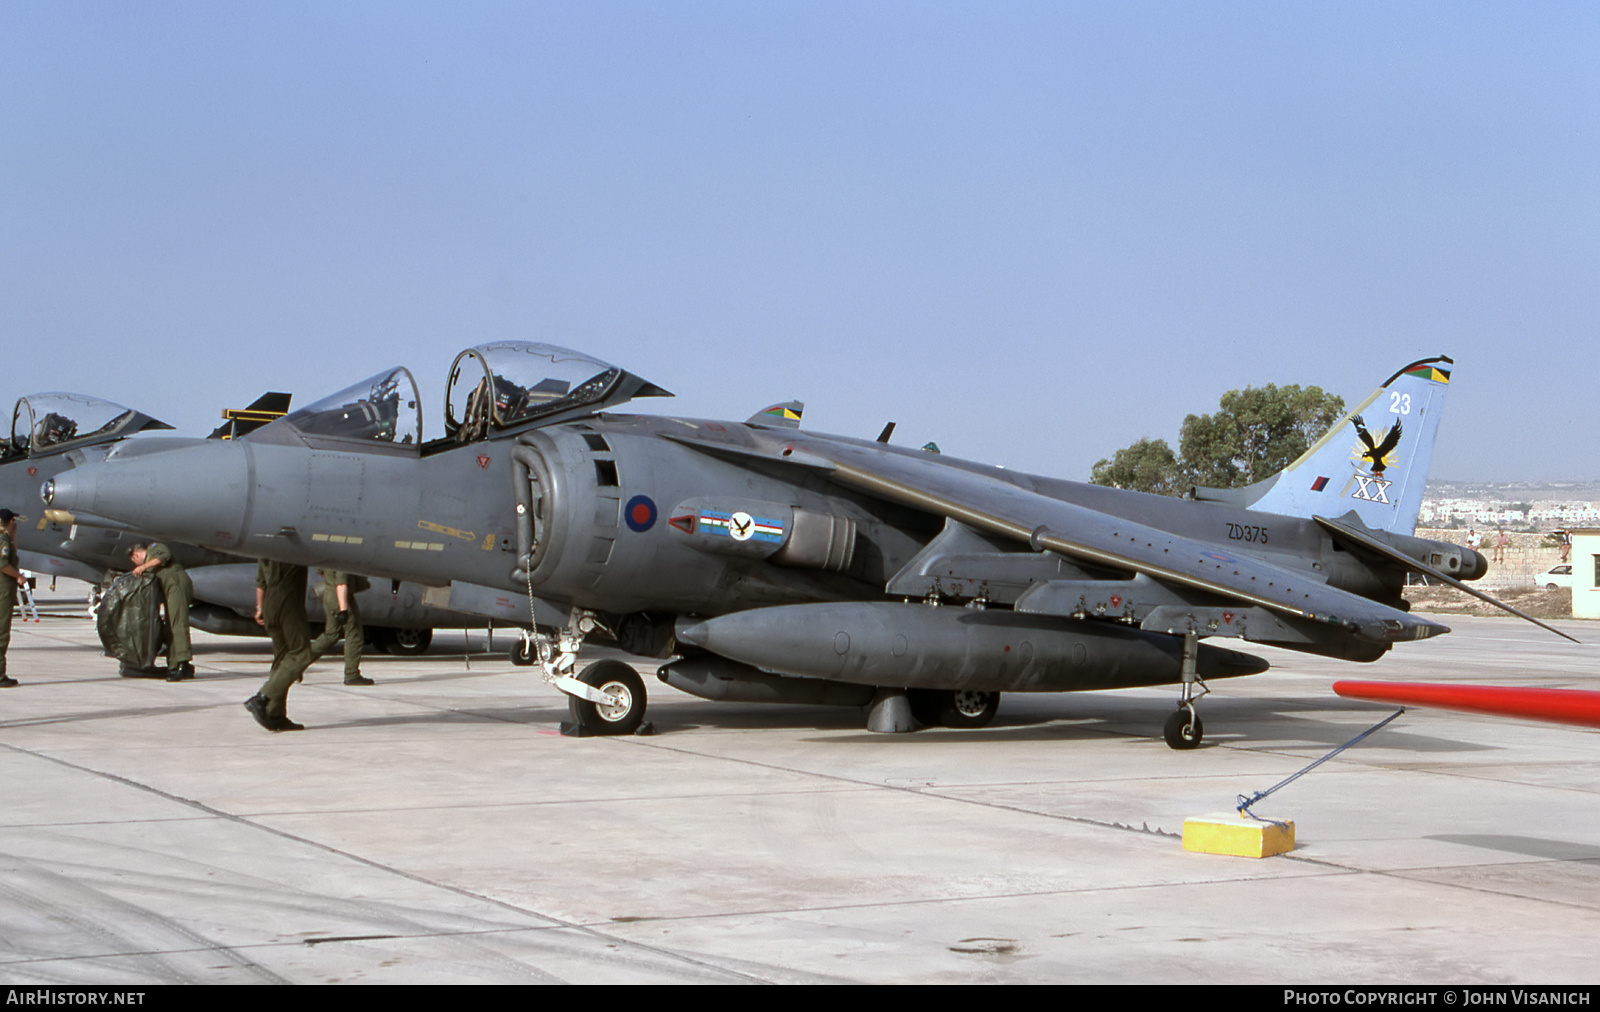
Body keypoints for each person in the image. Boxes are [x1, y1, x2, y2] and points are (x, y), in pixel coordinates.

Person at [243, 560, 312, 731]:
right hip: (288, 600)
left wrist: (260, 608)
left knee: (281, 658)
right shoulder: (290, 550)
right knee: (302, 652)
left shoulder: (265, 552)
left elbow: (260, 583)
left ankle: (275, 713)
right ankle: (262, 698)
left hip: (269, 603)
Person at [128, 543, 194, 680]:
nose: (136, 564)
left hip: (176, 585)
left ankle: (183, 664)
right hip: (169, 589)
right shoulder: (150, 567)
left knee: (177, 624)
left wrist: (143, 567)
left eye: (134, 561)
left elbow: (165, 555)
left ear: (136, 555)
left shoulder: (154, 548)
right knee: (169, 627)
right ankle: (174, 665)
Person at [309, 569, 374, 686]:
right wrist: (343, 609)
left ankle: (297, 664)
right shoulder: (341, 557)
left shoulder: (328, 552)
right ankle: (352, 674)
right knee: (354, 634)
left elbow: (320, 570)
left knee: (331, 634)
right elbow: (341, 583)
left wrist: (330, 579)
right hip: (340, 597)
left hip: (329, 594)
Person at [0, 509, 21, 687]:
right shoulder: (2, 540)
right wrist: (18, 577)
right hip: (3, 591)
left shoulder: (6, 539)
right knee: (1, 633)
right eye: (12, 521)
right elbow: (4, 565)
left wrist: (12, 535)